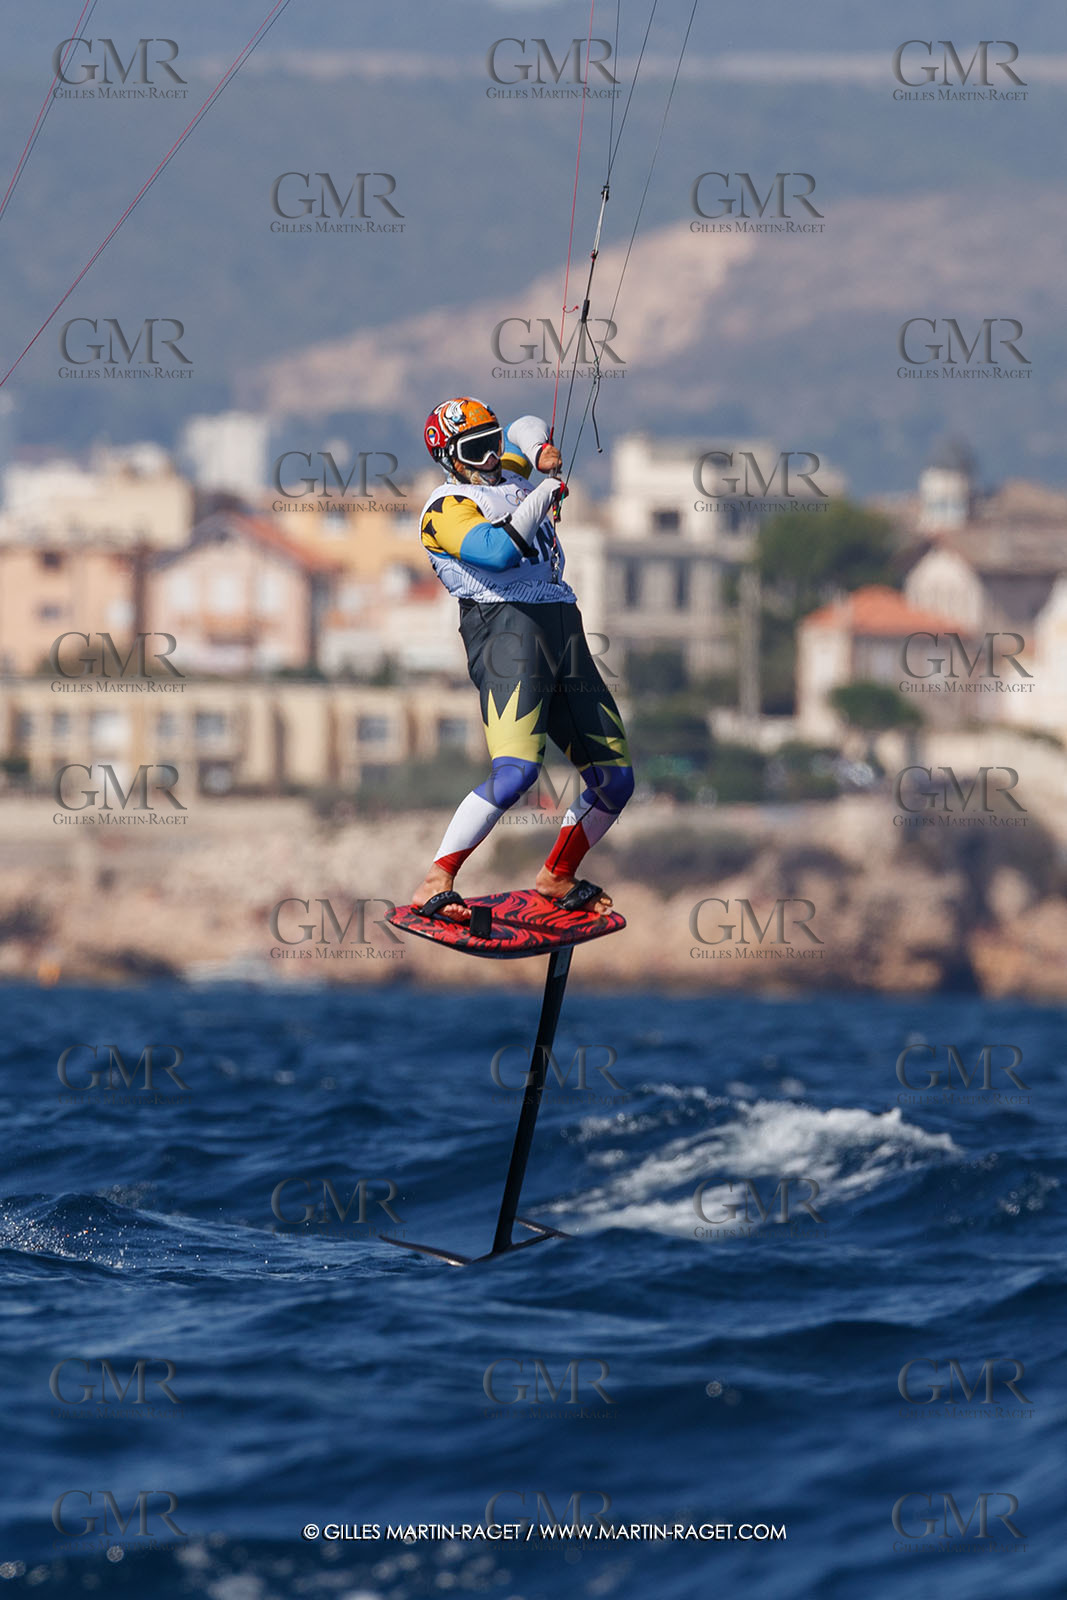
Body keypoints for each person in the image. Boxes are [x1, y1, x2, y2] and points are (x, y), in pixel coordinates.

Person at [409, 396, 634, 922]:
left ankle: (558, 876)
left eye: (492, 443)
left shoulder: (503, 469)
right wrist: (545, 494)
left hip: (562, 626)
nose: (491, 455)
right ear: (452, 459)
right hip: (506, 635)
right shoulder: (445, 507)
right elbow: (498, 552)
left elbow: (524, 427)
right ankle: (435, 879)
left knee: (614, 778)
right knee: (517, 773)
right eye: (476, 449)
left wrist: (541, 451)